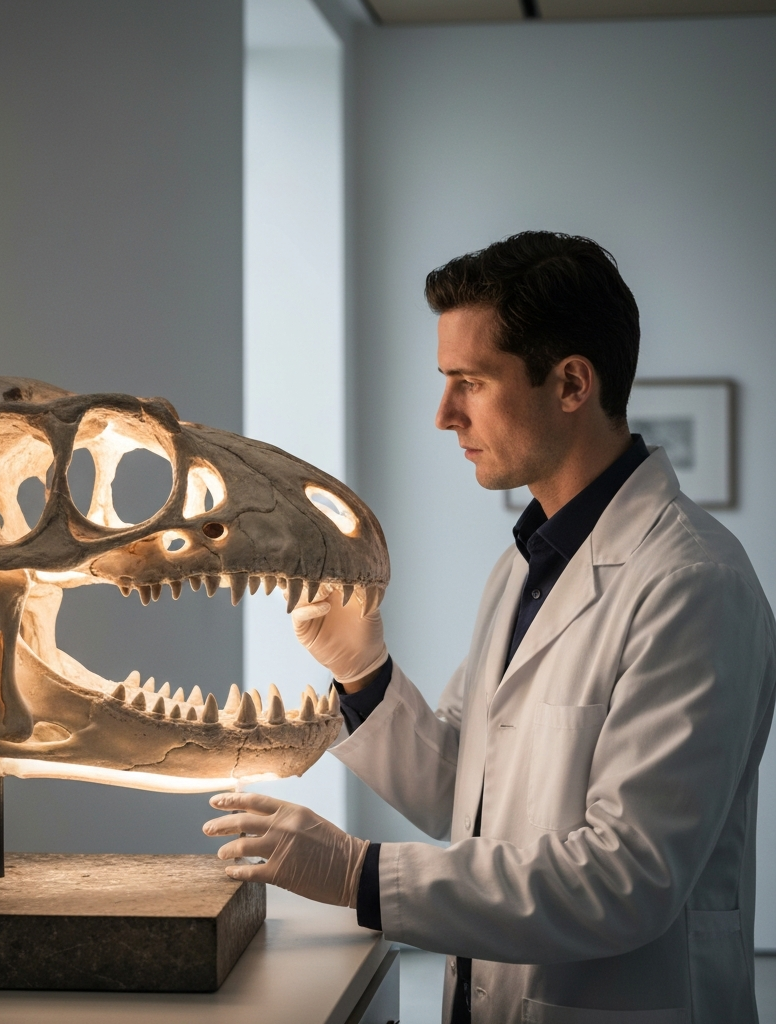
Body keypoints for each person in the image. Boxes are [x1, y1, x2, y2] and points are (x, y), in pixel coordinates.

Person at [203, 231, 776, 1023]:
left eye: (468, 382)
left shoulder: (692, 584)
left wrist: (357, 875)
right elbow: (465, 797)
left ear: (571, 383)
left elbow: (628, 880)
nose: (444, 415)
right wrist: (364, 673)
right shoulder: (524, 568)